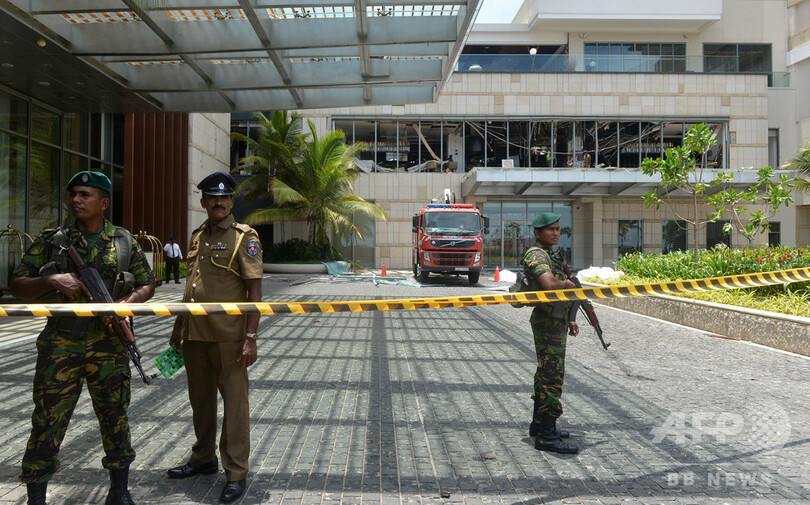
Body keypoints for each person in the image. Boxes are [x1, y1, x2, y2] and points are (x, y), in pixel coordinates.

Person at [10, 171, 156, 505]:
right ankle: (36, 496)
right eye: (73, 193)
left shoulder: (123, 241)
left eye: (85, 194)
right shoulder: (53, 240)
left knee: (115, 418)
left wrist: (123, 306)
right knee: (47, 421)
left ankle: (119, 491)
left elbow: (147, 283)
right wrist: (51, 281)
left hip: (109, 345)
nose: (76, 199)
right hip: (61, 344)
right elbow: (18, 285)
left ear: (103, 203)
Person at [167, 171, 263, 503]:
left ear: (232, 202)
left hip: (229, 338)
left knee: (235, 407)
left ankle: (235, 472)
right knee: (201, 403)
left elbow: (254, 289)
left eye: (224, 197)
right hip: (195, 336)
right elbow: (191, 287)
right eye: (212, 197)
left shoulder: (244, 237)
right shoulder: (197, 236)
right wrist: (178, 327)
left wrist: (250, 337)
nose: (218, 202)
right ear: (203, 201)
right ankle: (203, 458)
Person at [523, 212, 580, 454]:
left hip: (556, 319)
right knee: (551, 377)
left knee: (545, 374)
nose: (556, 233)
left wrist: (570, 318)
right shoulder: (537, 254)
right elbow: (549, 284)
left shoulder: (551, 254)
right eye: (550, 229)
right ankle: (546, 436)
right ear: (538, 233)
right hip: (547, 322)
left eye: (557, 229)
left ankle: (540, 425)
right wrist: (567, 285)